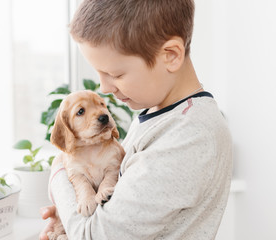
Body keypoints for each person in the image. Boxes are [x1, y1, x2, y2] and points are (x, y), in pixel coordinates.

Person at [40, 0, 233, 239]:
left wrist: (60, 173)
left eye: (115, 74)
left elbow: (93, 236)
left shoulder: (189, 136)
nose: (104, 88)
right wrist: (67, 219)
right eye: (99, 74)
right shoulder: (157, 114)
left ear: (171, 56)